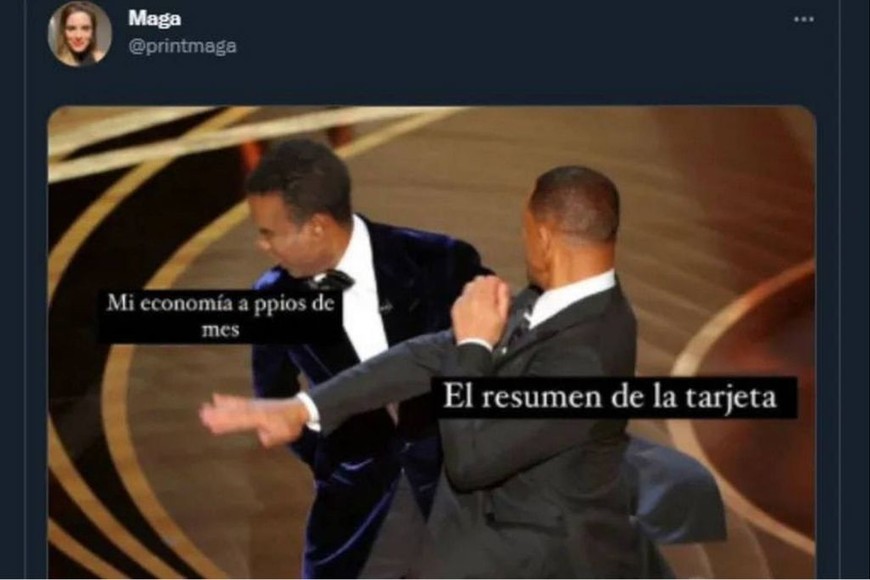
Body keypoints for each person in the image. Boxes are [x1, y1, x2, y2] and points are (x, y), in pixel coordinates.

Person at [242, 139, 491, 578]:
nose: (263, 245)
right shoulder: (271, 297)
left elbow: (501, 358)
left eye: (269, 232)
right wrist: (332, 458)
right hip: (354, 516)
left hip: (460, 503)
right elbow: (274, 394)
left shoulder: (441, 262)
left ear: (316, 226)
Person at [52, 2, 106, 67]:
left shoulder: (100, 57)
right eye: (71, 29)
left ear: (92, 31)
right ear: (63, 31)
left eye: (85, 28)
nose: (78, 36)